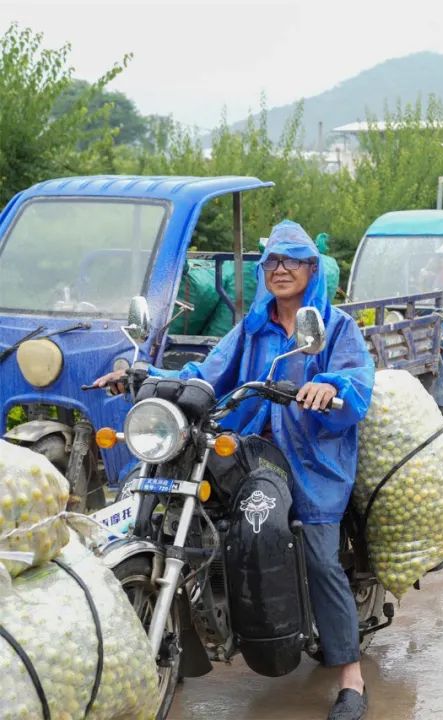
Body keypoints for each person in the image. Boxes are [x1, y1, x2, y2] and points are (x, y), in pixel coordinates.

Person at [94, 221, 375, 720]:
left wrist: (330, 388)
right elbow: (205, 372)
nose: (280, 269)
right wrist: (143, 375)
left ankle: (350, 675)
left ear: (313, 270)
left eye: (292, 261)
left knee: (319, 556)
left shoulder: (335, 327)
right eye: (272, 262)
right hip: (247, 448)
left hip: (311, 459)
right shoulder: (252, 327)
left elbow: (357, 381)